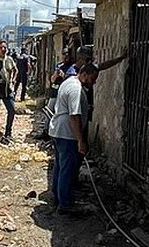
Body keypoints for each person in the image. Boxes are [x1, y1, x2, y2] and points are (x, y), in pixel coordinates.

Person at [49, 63, 99, 216]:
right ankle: (65, 204)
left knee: (60, 166)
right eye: (92, 78)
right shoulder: (76, 89)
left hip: (57, 131)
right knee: (68, 169)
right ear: (84, 74)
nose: (93, 82)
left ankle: (57, 197)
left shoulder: (68, 82)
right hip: (67, 134)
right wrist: (81, 140)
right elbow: (74, 117)